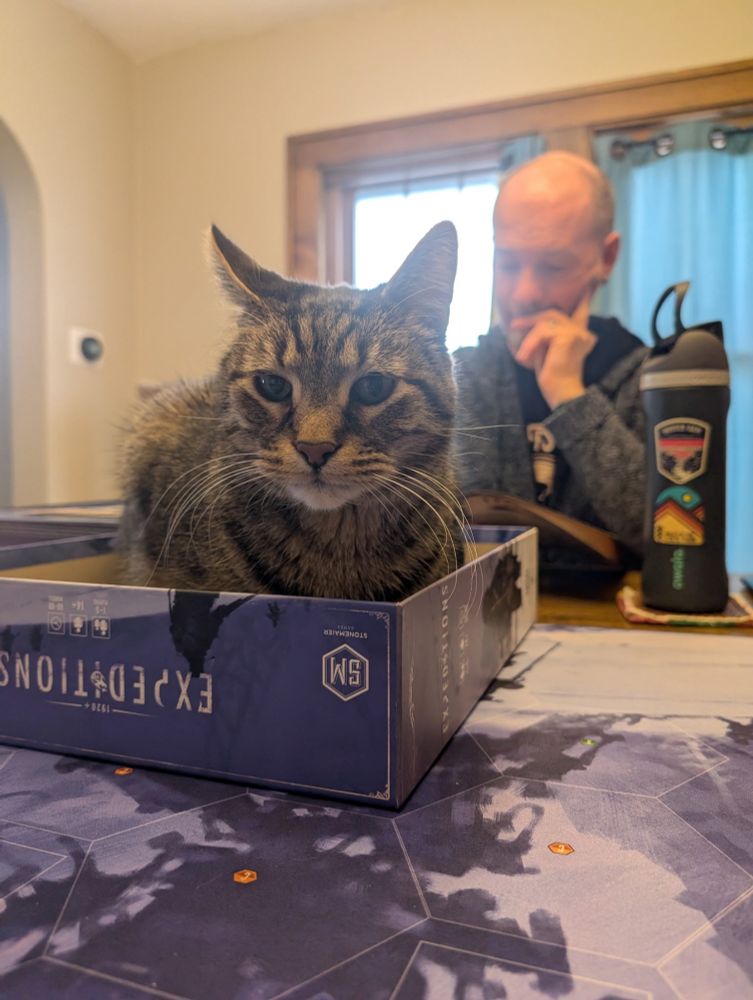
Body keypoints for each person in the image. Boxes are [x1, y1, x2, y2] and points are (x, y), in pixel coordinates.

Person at [453, 151, 648, 559]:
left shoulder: (647, 377)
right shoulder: (464, 375)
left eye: (553, 267)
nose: (524, 294)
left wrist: (569, 397)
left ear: (606, 258)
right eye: (508, 264)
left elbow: (665, 533)